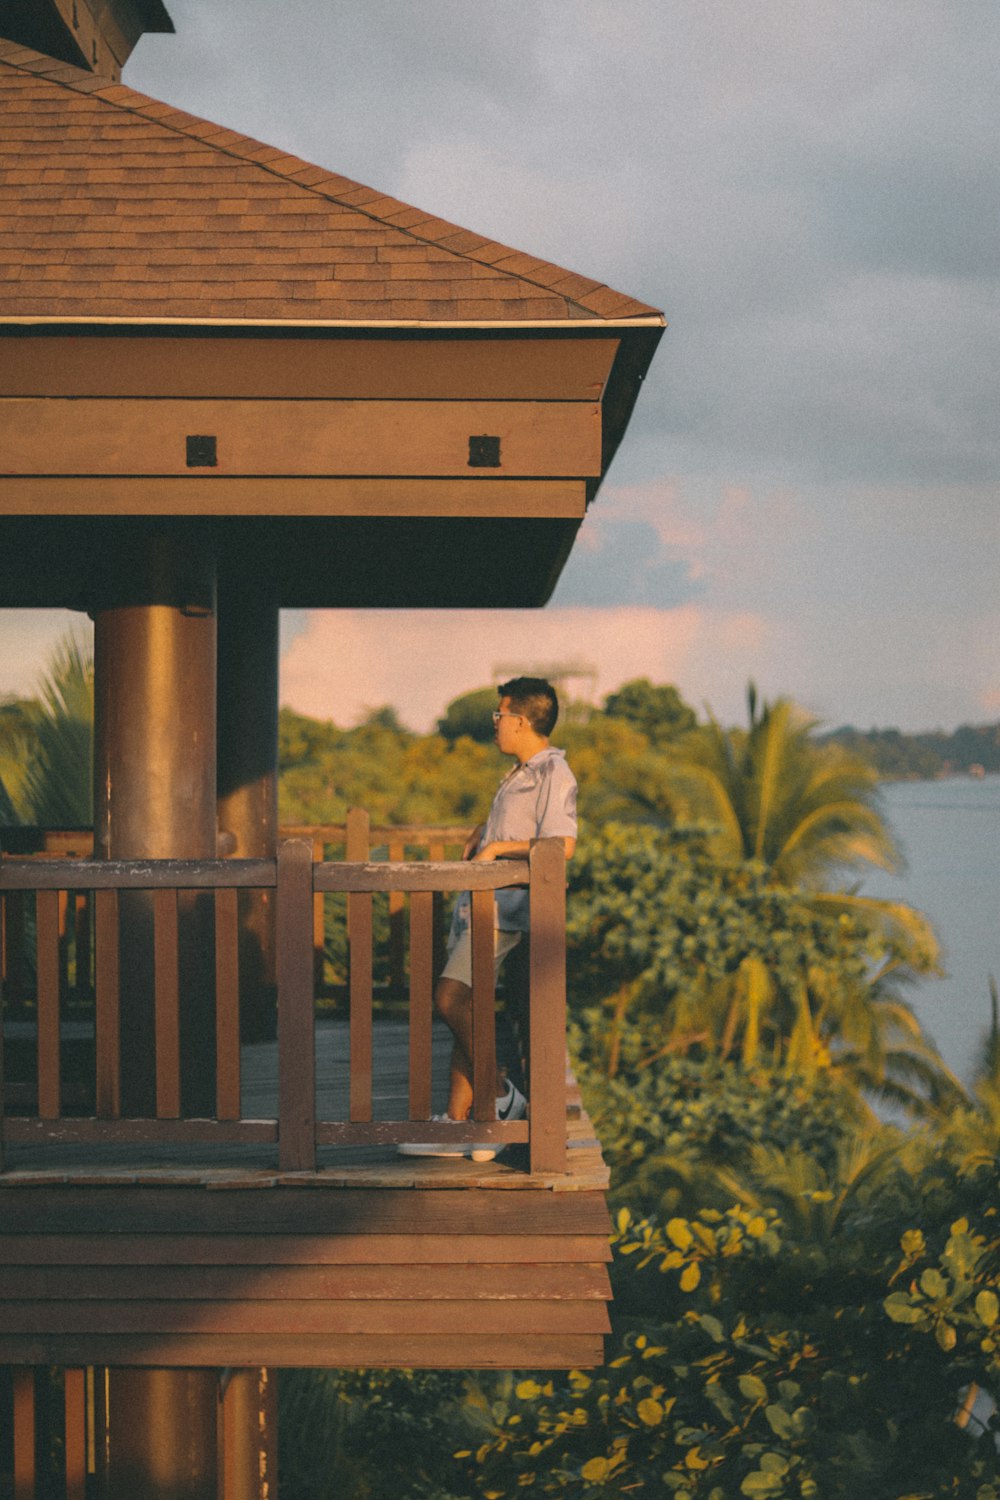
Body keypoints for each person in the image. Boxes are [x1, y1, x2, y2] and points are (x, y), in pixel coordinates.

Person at [399, 677, 577, 1160]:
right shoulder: (521, 772)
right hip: (482, 905)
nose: (494, 724)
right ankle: (459, 1124)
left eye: (500, 716)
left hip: (505, 910)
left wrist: (498, 847)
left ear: (521, 721)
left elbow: (562, 844)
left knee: (450, 998)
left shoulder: (552, 772)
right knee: (469, 1009)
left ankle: (500, 1092)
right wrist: (486, 831)